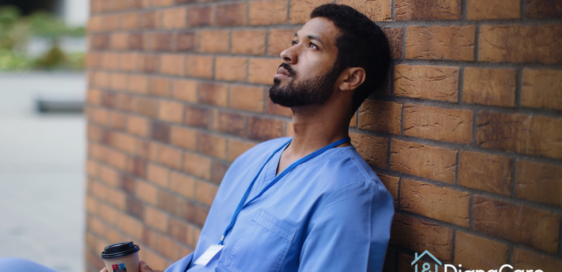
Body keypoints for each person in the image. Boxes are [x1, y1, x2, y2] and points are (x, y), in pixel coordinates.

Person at [118, 3, 395, 272]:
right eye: (294, 41)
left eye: (312, 45)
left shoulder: (351, 194)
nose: (287, 53)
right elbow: (211, 259)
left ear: (350, 79)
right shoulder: (253, 159)